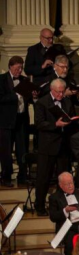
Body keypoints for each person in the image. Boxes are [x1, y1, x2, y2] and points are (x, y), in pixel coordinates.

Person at [34, 78, 75, 216]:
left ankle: (61, 207)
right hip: (47, 147)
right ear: (52, 90)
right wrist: (55, 125)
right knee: (43, 178)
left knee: (63, 178)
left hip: (63, 146)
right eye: (58, 92)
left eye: (62, 92)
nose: (60, 95)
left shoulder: (67, 101)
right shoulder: (42, 102)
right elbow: (39, 124)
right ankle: (39, 206)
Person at [0, 56, 32, 186]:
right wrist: (15, 95)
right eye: (17, 68)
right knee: (6, 151)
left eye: (21, 68)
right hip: (6, 122)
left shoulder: (25, 80)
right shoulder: (1, 80)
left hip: (21, 120)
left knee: (22, 149)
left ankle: (23, 176)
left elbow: (28, 100)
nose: (20, 70)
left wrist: (32, 96)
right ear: (10, 67)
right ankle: (6, 177)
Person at [48, 172, 79, 255]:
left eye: (71, 183)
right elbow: (53, 217)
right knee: (71, 248)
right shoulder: (54, 197)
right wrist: (65, 210)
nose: (70, 186)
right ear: (61, 185)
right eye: (67, 184)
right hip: (68, 227)